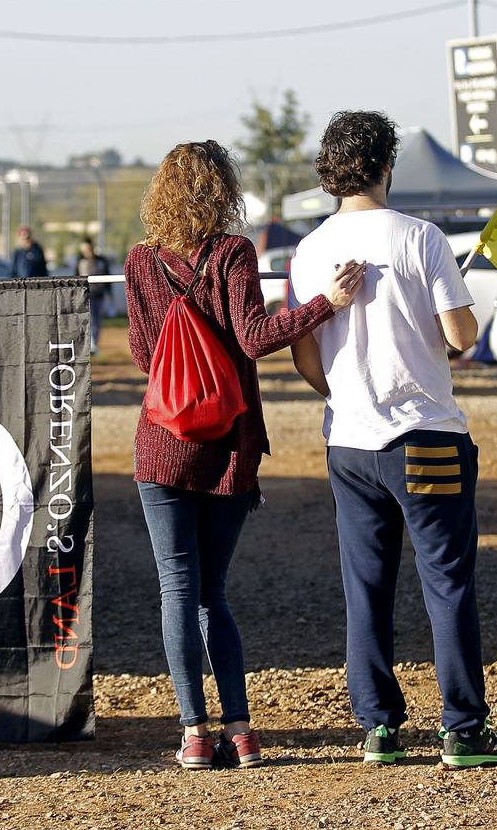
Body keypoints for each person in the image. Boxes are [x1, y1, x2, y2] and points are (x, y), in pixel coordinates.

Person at [287, 111, 497, 769]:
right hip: (423, 435)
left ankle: (378, 727)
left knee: (365, 585)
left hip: (349, 442)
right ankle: (462, 728)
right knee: (446, 580)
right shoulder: (420, 238)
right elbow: (460, 336)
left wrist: (345, 393)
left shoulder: (308, 250)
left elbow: (305, 357)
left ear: (330, 171)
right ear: (386, 165)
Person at [125, 140, 365, 769]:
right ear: (222, 190)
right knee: (213, 595)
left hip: (164, 444)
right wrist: (325, 306)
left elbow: (147, 356)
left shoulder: (141, 262)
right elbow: (255, 339)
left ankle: (194, 734)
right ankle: (242, 731)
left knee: (176, 590)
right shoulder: (233, 252)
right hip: (228, 446)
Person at [75, 238, 111, 355]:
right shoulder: (80, 261)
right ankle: (88, 344)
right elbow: (76, 278)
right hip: (85, 295)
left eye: (88, 248)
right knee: (87, 319)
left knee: (97, 320)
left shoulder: (101, 261)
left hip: (98, 294)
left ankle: (94, 344)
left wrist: (110, 295)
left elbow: (108, 278)